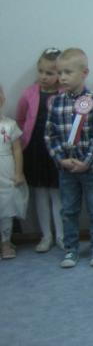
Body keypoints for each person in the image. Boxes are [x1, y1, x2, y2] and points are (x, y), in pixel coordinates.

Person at [45, 48, 93, 268]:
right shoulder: (56, 103)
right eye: (60, 72)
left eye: (68, 72)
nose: (62, 77)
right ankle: (70, 249)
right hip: (66, 169)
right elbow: (50, 135)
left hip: (92, 169)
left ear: (84, 73)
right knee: (68, 210)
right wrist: (61, 159)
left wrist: (87, 162)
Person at [15, 47, 63, 252]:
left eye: (49, 73)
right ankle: (46, 236)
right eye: (41, 71)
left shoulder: (65, 93)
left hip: (57, 152)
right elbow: (20, 118)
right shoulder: (30, 94)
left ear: (60, 73)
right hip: (35, 150)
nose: (43, 76)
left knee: (58, 194)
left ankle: (61, 235)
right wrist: (23, 142)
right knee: (40, 194)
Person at [0, 84, 27, 260]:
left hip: (6, 171)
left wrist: (18, 172)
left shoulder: (9, 125)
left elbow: (17, 150)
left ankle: (6, 242)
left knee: (6, 207)